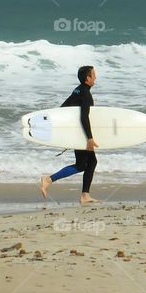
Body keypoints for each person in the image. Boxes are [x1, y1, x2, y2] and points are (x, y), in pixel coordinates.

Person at [39, 65, 100, 205]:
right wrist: (89, 138)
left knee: (91, 162)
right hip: (79, 133)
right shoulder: (85, 93)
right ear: (87, 78)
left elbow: (63, 109)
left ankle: (85, 195)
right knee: (81, 165)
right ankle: (48, 179)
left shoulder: (78, 90)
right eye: (93, 75)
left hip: (75, 131)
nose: (95, 77)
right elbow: (84, 117)